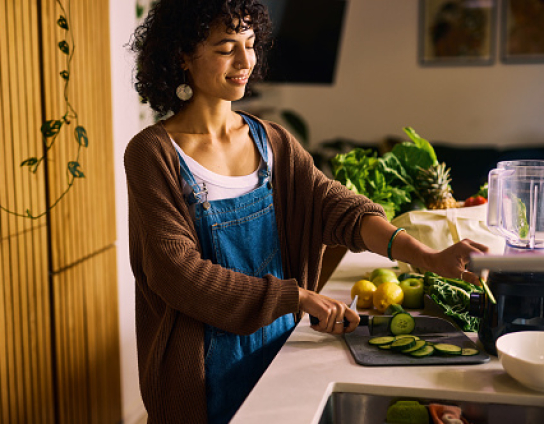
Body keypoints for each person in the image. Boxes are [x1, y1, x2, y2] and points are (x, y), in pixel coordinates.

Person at [125, 1, 488, 423]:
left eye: (250, 43)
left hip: (280, 350)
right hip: (201, 376)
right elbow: (178, 274)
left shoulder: (271, 140)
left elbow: (338, 208)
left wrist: (423, 256)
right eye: (227, 48)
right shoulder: (153, 154)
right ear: (182, 55)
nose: (245, 60)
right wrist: (296, 297)